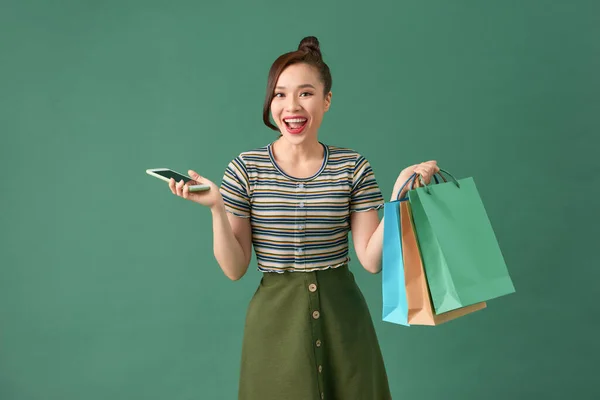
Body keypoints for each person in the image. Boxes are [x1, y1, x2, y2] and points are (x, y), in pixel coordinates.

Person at [169, 36, 439, 400]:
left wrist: (398, 197)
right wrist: (217, 208)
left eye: (305, 93)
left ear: (327, 100)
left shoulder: (352, 166)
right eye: (280, 94)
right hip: (275, 328)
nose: (291, 106)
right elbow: (235, 269)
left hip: (345, 323)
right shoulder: (245, 169)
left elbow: (371, 260)